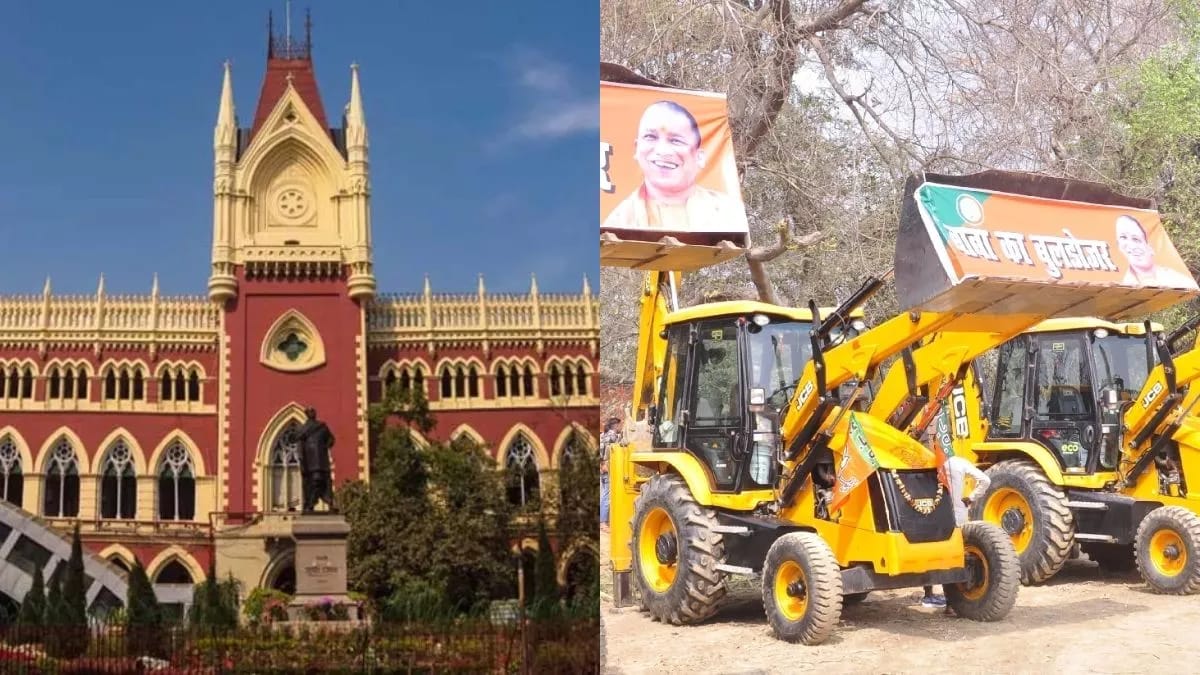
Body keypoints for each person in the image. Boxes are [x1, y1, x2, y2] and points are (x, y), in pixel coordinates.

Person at [602, 100, 744, 233]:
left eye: (676, 140)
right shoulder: (619, 222)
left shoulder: (729, 214)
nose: (662, 151)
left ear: (699, 157)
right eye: (650, 137)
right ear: (636, 149)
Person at [922, 451, 991, 609]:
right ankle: (950, 604)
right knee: (955, 556)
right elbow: (985, 480)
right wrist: (971, 497)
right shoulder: (960, 462)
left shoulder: (930, 462)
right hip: (958, 514)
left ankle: (928, 595)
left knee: (933, 553)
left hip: (935, 511)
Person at [1115, 214, 1197, 289]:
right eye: (1123, 237)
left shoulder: (1179, 280)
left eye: (1136, 239)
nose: (1131, 246)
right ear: (1119, 246)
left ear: (1150, 248)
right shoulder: (1123, 284)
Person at [296, 406, 337, 513]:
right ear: (307, 414)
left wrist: (325, 445)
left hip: (322, 460)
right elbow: (300, 447)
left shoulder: (322, 426)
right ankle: (311, 504)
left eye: (313, 411)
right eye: (310, 411)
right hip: (310, 462)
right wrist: (301, 461)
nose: (312, 413)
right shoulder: (303, 429)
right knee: (315, 482)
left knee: (325, 482)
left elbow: (331, 439)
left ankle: (328, 502)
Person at [599, 417, 621, 532]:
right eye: (618, 425)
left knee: (604, 494)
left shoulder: (602, 435)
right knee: (607, 495)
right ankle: (603, 523)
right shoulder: (613, 435)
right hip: (609, 467)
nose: (619, 427)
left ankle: (604, 521)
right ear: (615, 425)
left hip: (603, 468)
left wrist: (601, 464)